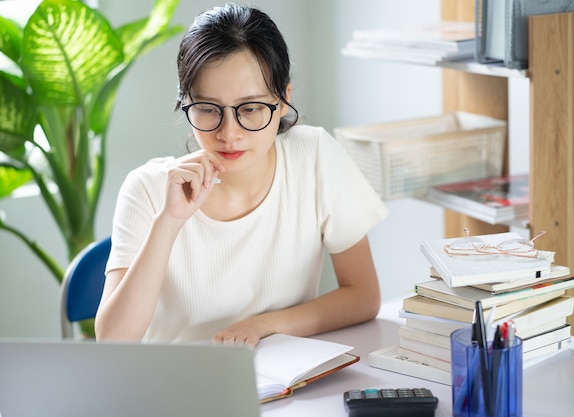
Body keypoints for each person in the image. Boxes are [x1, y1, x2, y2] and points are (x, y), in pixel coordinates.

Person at [94, 3, 388, 346]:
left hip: (284, 383)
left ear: (282, 100)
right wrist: (169, 222)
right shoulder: (148, 188)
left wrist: (261, 326)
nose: (229, 133)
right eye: (207, 109)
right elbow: (113, 340)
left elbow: (363, 295)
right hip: (176, 389)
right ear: (185, 103)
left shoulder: (314, 155)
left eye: (250, 109)